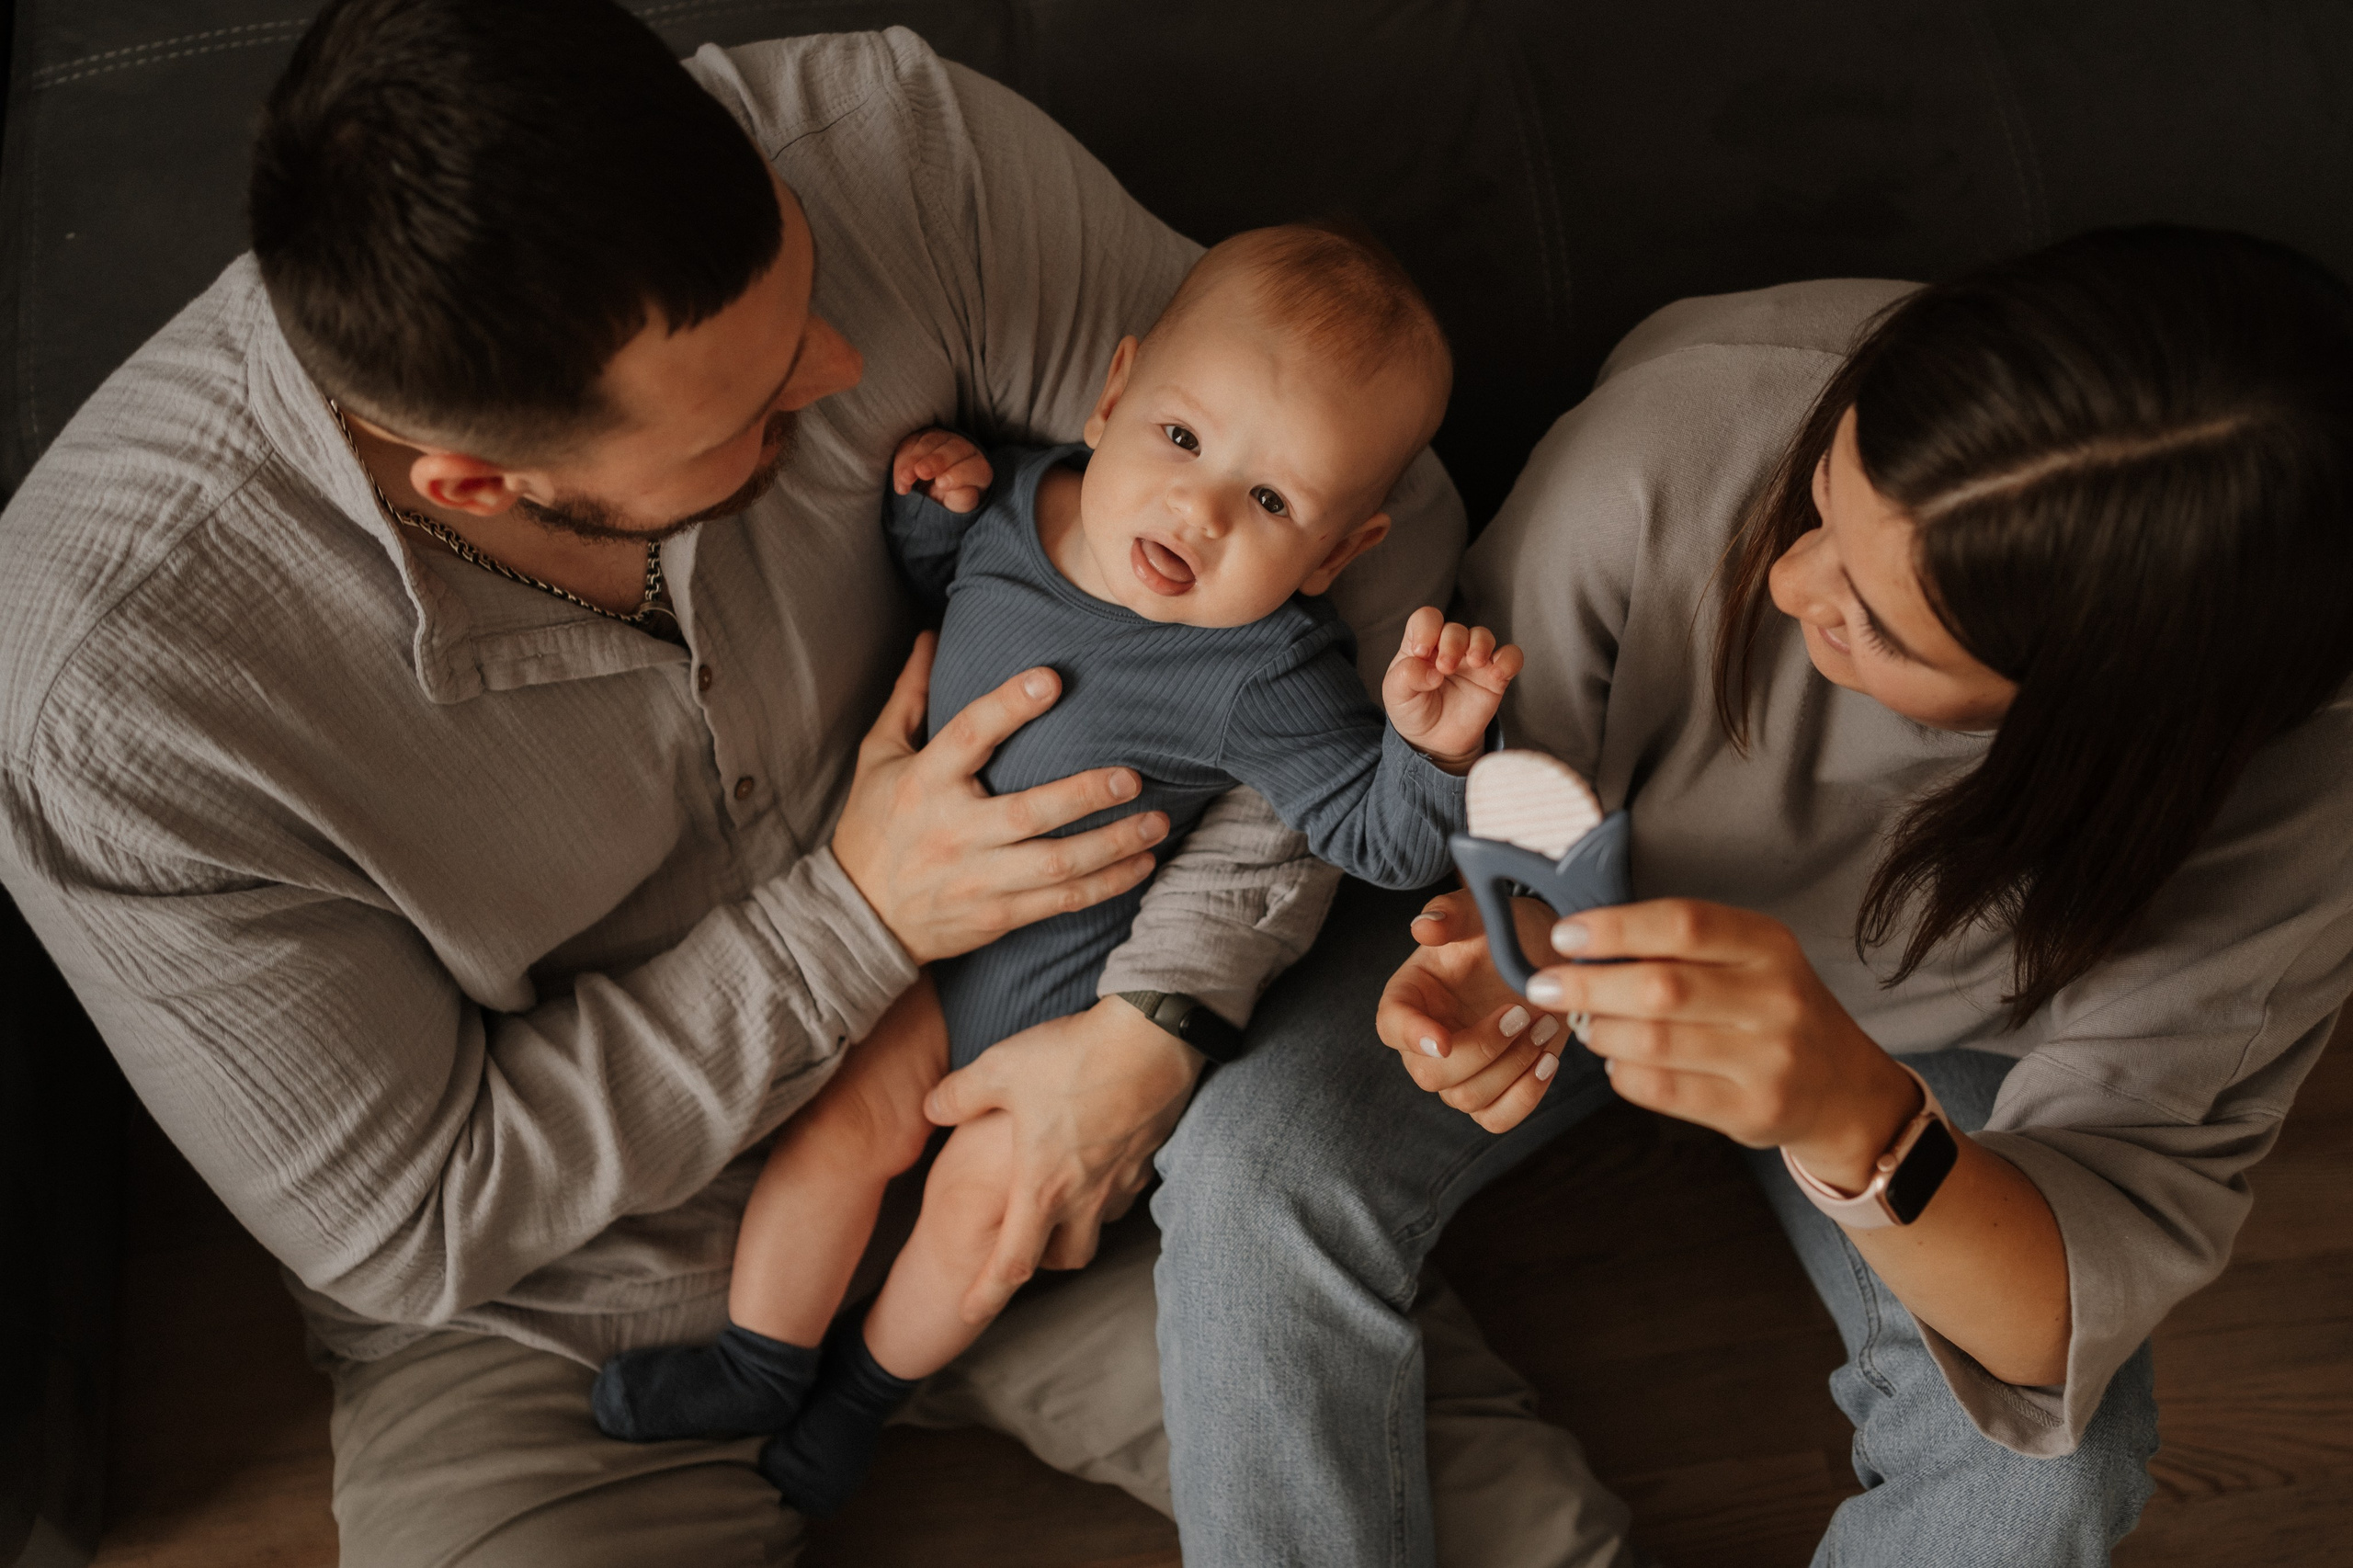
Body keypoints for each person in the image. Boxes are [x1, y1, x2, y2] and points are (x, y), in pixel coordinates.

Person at [0, 0, 1633, 1562]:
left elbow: (1372, 540)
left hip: (1057, 1120)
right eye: (763, 403)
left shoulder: (890, 154)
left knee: (1514, 1542)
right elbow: (412, 1212)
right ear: (476, 485)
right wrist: (853, 915)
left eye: (807, 301)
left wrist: (1156, 1023)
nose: (845, 366)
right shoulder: (112, 710)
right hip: (576, 1309)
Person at [1153, 225, 2353, 1566]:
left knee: (2047, 1479)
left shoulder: (2292, 809)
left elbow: (2059, 1311)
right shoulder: (1682, 442)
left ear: (2097, 728)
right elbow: (1493, 787)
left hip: (1924, 1054)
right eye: (1823, 497)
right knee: (1253, 1166)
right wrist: (1517, 941)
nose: (1789, 587)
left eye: (1877, 630)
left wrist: (1852, 1107)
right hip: (1590, 897)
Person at [590, 222, 1521, 1517]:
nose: (1195, 510)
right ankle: (757, 1360)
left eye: (1270, 502)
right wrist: (934, 505)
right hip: (924, 961)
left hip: (1071, 1020)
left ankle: (860, 1396)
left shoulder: (1269, 669)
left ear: (1339, 553)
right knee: (835, 1136)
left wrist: (1426, 748)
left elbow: (1374, 836)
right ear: (1113, 392)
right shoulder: (1026, 503)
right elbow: (947, 592)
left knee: (984, 1222)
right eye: (1184, 440)